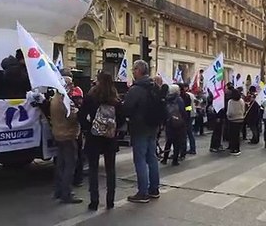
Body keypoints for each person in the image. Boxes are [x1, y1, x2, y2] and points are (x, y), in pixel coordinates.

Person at [78, 71, 125, 210]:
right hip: (110, 138)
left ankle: (94, 201)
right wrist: (114, 129)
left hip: (94, 137)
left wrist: (89, 127)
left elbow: (81, 116)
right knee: (110, 169)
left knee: (93, 170)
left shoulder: (91, 97)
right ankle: (110, 201)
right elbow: (122, 119)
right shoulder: (115, 100)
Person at [123, 60, 160, 203]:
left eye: (134, 69)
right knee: (152, 158)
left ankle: (143, 192)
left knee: (140, 160)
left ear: (139, 70)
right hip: (153, 127)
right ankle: (154, 189)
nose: (133, 72)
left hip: (139, 128)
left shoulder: (136, 89)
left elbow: (127, 109)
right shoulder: (154, 86)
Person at [50, 77, 83, 204]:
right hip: (68, 135)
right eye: (70, 84)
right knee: (69, 165)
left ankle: (59, 190)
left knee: (61, 164)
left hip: (59, 134)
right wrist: (78, 112)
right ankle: (66, 193)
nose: (73, 86)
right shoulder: (65, 100)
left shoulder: (55, 98)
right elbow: (71, 117)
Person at [161, 84, 186, 166]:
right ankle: (175, 160)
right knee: (177, 142)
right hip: (178, 123)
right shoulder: (179, 99)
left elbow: (164, 110)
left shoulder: (167, 98)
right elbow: (183, 110)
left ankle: (165, 158)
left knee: (169, 141)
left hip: (169, 122)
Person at [227, 89, 245, 156]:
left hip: (233, 120)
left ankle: (233, 148)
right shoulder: (241, 100)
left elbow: (230, 111)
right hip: (240, 119)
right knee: (237, 135)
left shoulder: (231, 101)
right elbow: (243, 109)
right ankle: (237, 148)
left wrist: (228, 116)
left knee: (232, 135)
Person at [180, 83, 197, 156]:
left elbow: (188, 107)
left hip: (189, 115)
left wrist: (186, 113)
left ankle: (192, 149)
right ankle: (192, 148)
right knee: (189, 132)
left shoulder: (187, 95)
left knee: (188, 132)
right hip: (191, 114)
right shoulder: (191, 95)